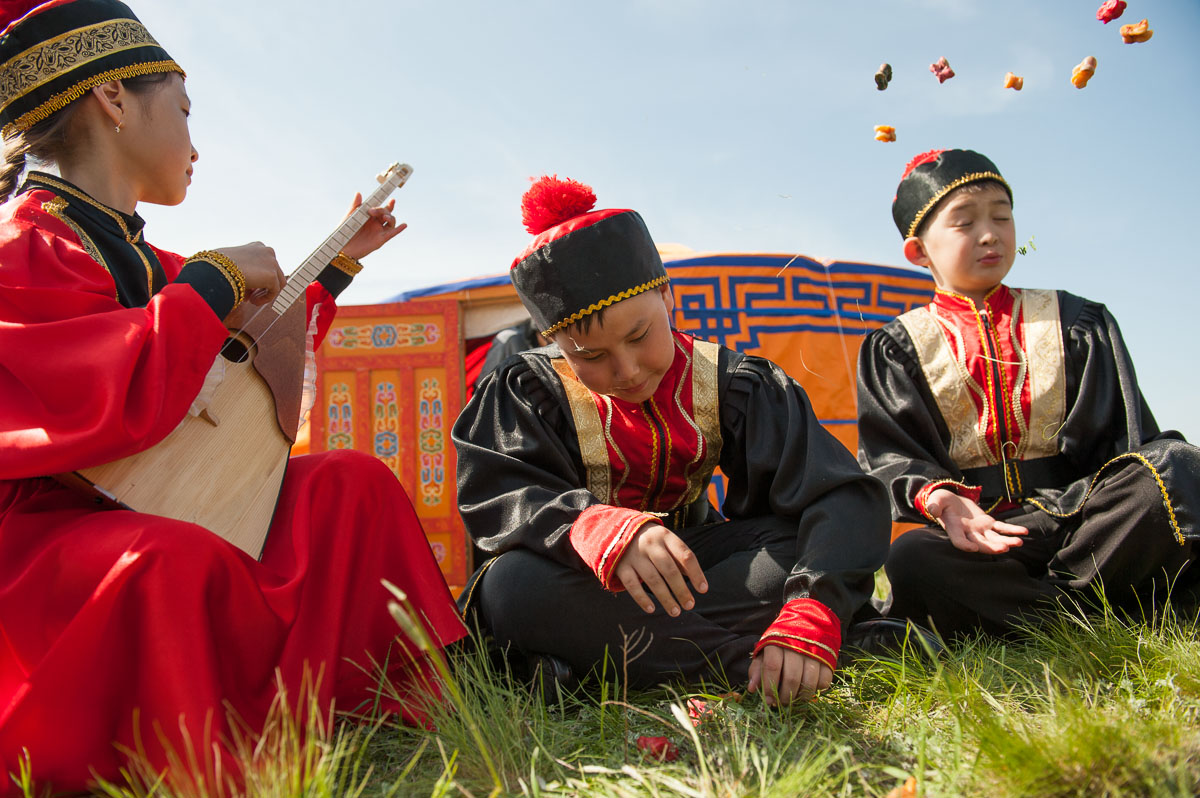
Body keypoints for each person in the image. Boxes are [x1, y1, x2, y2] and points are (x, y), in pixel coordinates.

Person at [0, 0, 466, 791]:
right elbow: (105, 392)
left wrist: (334, 263)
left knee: (350, 488)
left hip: (167, 500)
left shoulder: (154, 260)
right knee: (168, 561)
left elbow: (241, 363)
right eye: (182, 110)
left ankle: (379, 709)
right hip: (46, 532)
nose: (196, 141)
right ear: (113, 100)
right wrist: (212, 279)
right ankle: (190, 759)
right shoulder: (25, 244)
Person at [452, 175, 894, 707]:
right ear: (553, 342)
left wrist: (810, 608)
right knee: (513, 588)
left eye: (640, 335)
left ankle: (598, 664)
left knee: (798, 548)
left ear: (667, 295)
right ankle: (747, 667)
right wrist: (591, 527)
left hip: (697, 571)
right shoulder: (525, 390)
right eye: (589, 356)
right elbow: (498, 494)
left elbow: (837, 494)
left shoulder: (735, 382)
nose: (627, 370)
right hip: (580, 585)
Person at [857, 148, 1200, 638]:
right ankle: (1101, 610)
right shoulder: (895, 347)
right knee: (912, 557)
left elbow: (1129, 440)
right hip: (980, 537)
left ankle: (1030, 615)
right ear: (919, 251)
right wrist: (943, 501)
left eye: (1002, 216)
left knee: (1176, 465)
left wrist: (1113, 500)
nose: (990, 233)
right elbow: (892, 457)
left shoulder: (1077, 321)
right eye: (964, 222)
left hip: (1085, 520)